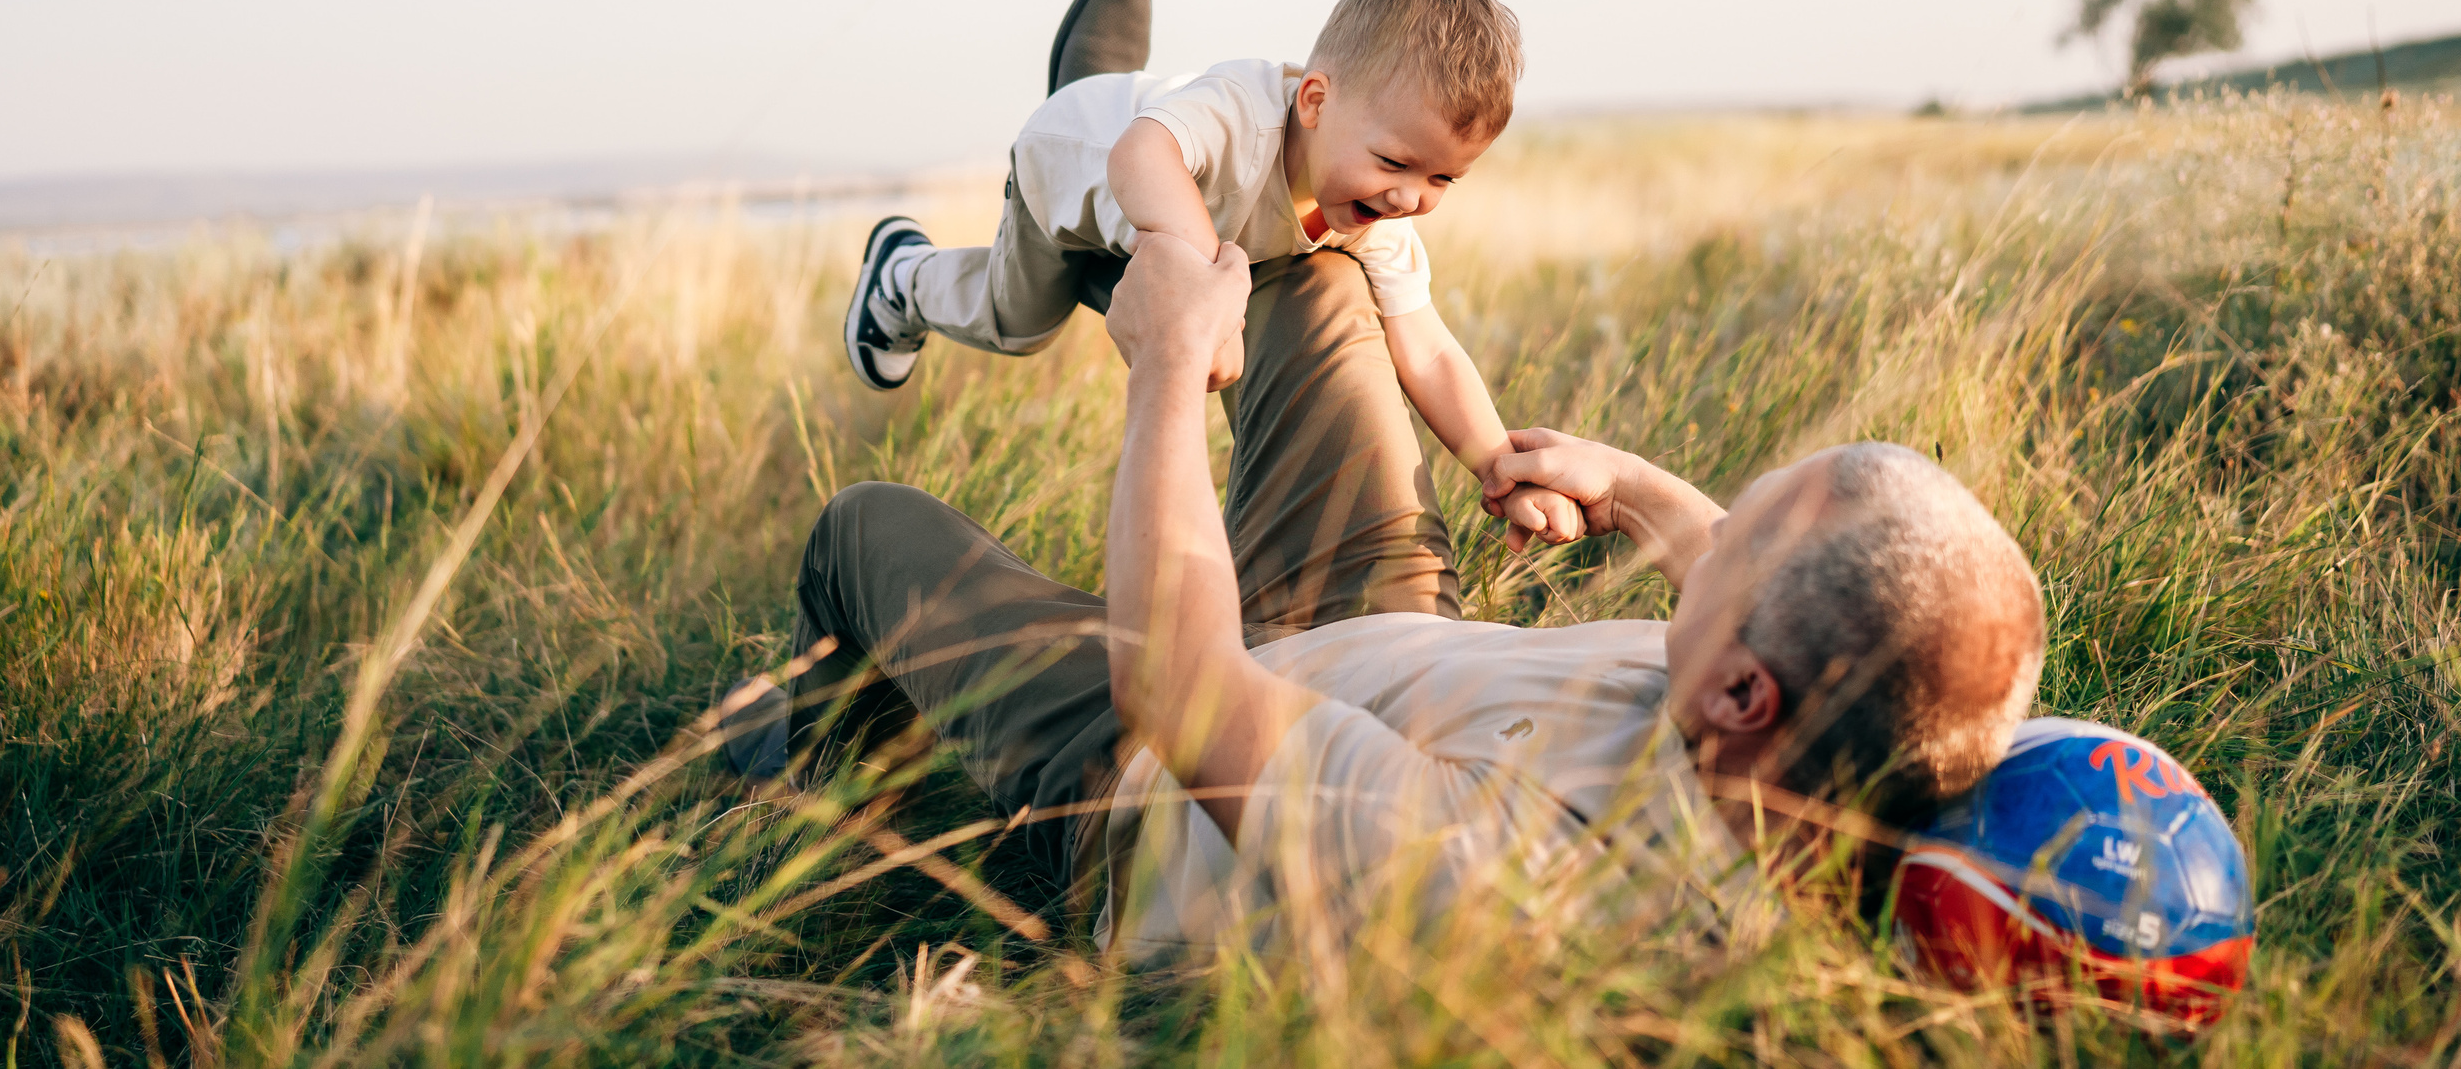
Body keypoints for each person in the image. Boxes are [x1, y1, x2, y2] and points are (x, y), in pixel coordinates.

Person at [733, 228, 2048, 958]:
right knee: (1308, 262)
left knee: (867, 531)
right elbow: (1779, 585)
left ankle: (825, 829)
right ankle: (1083, 194)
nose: (1708, 528)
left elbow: (1188, 693)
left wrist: (1166, 368)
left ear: (1740, 689)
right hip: (1386, 628)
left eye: (1739, 525)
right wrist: (1634, 482)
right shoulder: (1851, 731)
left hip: (1144, 790)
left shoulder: (1508, 886)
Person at [840, 0, 1590, 549]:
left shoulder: (1378, 213)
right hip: (1068, 174)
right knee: (1020, 319)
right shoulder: (1241, 112)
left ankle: (1107, 85)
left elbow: (1426, 349)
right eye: (1394, 164)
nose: (1407, 198)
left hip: (1154, 226)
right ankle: (902, 274)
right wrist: (1210, 286)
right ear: (1314, 101)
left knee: (1194, 268)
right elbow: (1140, 154)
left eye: (1442, 178)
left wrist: (1496, 460)